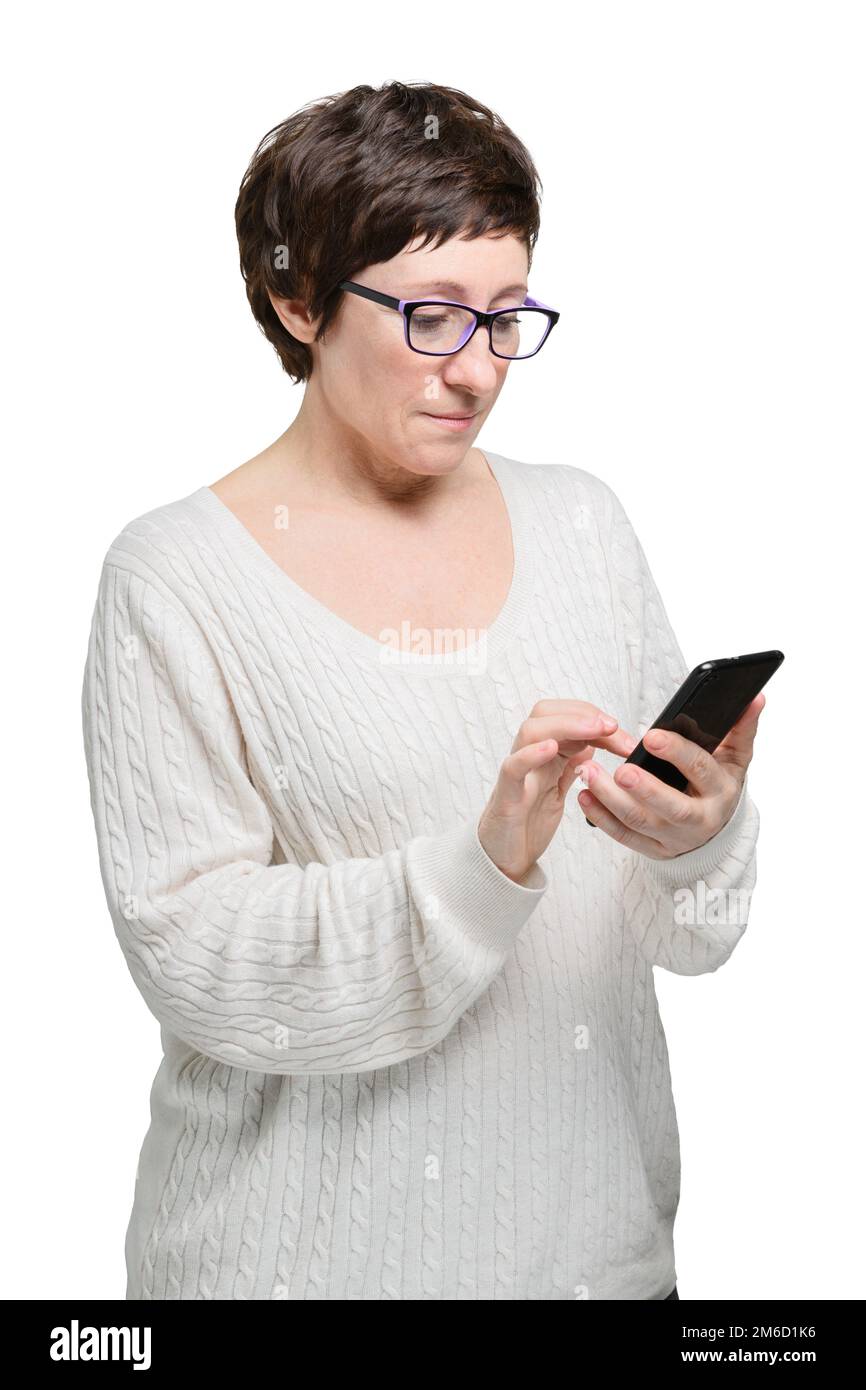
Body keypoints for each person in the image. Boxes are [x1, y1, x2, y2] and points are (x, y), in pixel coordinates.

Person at [81, 80, 764, 1301]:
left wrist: (692, 841)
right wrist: (481, 866)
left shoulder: (582, 524)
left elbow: (685, 934)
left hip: (598, 1268)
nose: (478, 370)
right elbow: (193, 957)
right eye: (432, 316)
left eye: (507, 317)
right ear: (297, 301)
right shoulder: (175, 578)